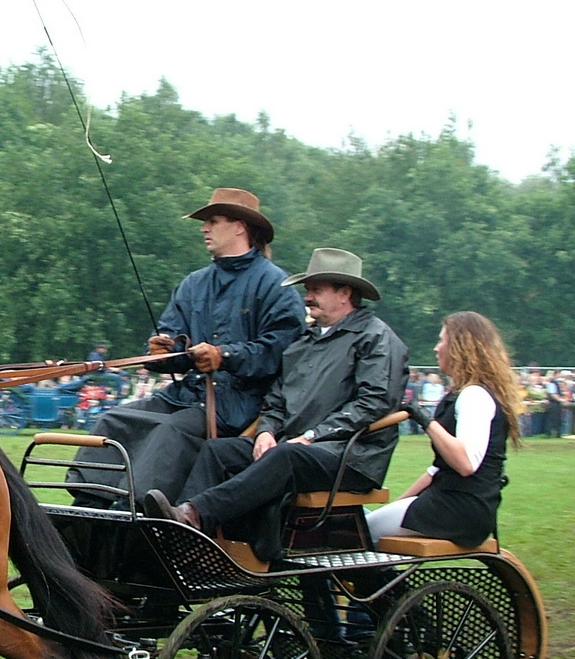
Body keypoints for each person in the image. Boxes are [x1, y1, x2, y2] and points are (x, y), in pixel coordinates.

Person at [143, 248, 408, 561]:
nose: (307, 297)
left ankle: (193, 516)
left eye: (316, 290)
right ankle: (191, 548)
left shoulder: (376, 338)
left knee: (287, 456)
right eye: (307, 289)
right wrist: (266, 431)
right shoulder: (304, 342)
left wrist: (312, 436)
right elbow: (276, 398)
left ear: (344, 293)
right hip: (295, 449)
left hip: (350, 456)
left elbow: (373, 403)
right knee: (219, 451)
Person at [67, 188, 304, 505]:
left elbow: (280, 350)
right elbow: (172, 338)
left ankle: (135, 510)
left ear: (240, 226)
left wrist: (225, 356)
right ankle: (88, 507)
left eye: (213, 220)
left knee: (171, 431)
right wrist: (160, 353)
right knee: (114, 419)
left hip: (238, 404)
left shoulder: (275, 285)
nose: (204, 228)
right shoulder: (194, 284)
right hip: (186, 395)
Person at [366, 312, 524, 547]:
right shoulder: (463, 395)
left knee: (360, 531)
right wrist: (398, 504)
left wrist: (424, 419)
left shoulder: (474, 395)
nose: (436, 348)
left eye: (442, 341)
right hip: (453, 505)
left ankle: (380, 582)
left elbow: (466, 463)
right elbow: (436, 471)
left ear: (460, 347)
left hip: (458, 510)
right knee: (364, 523)